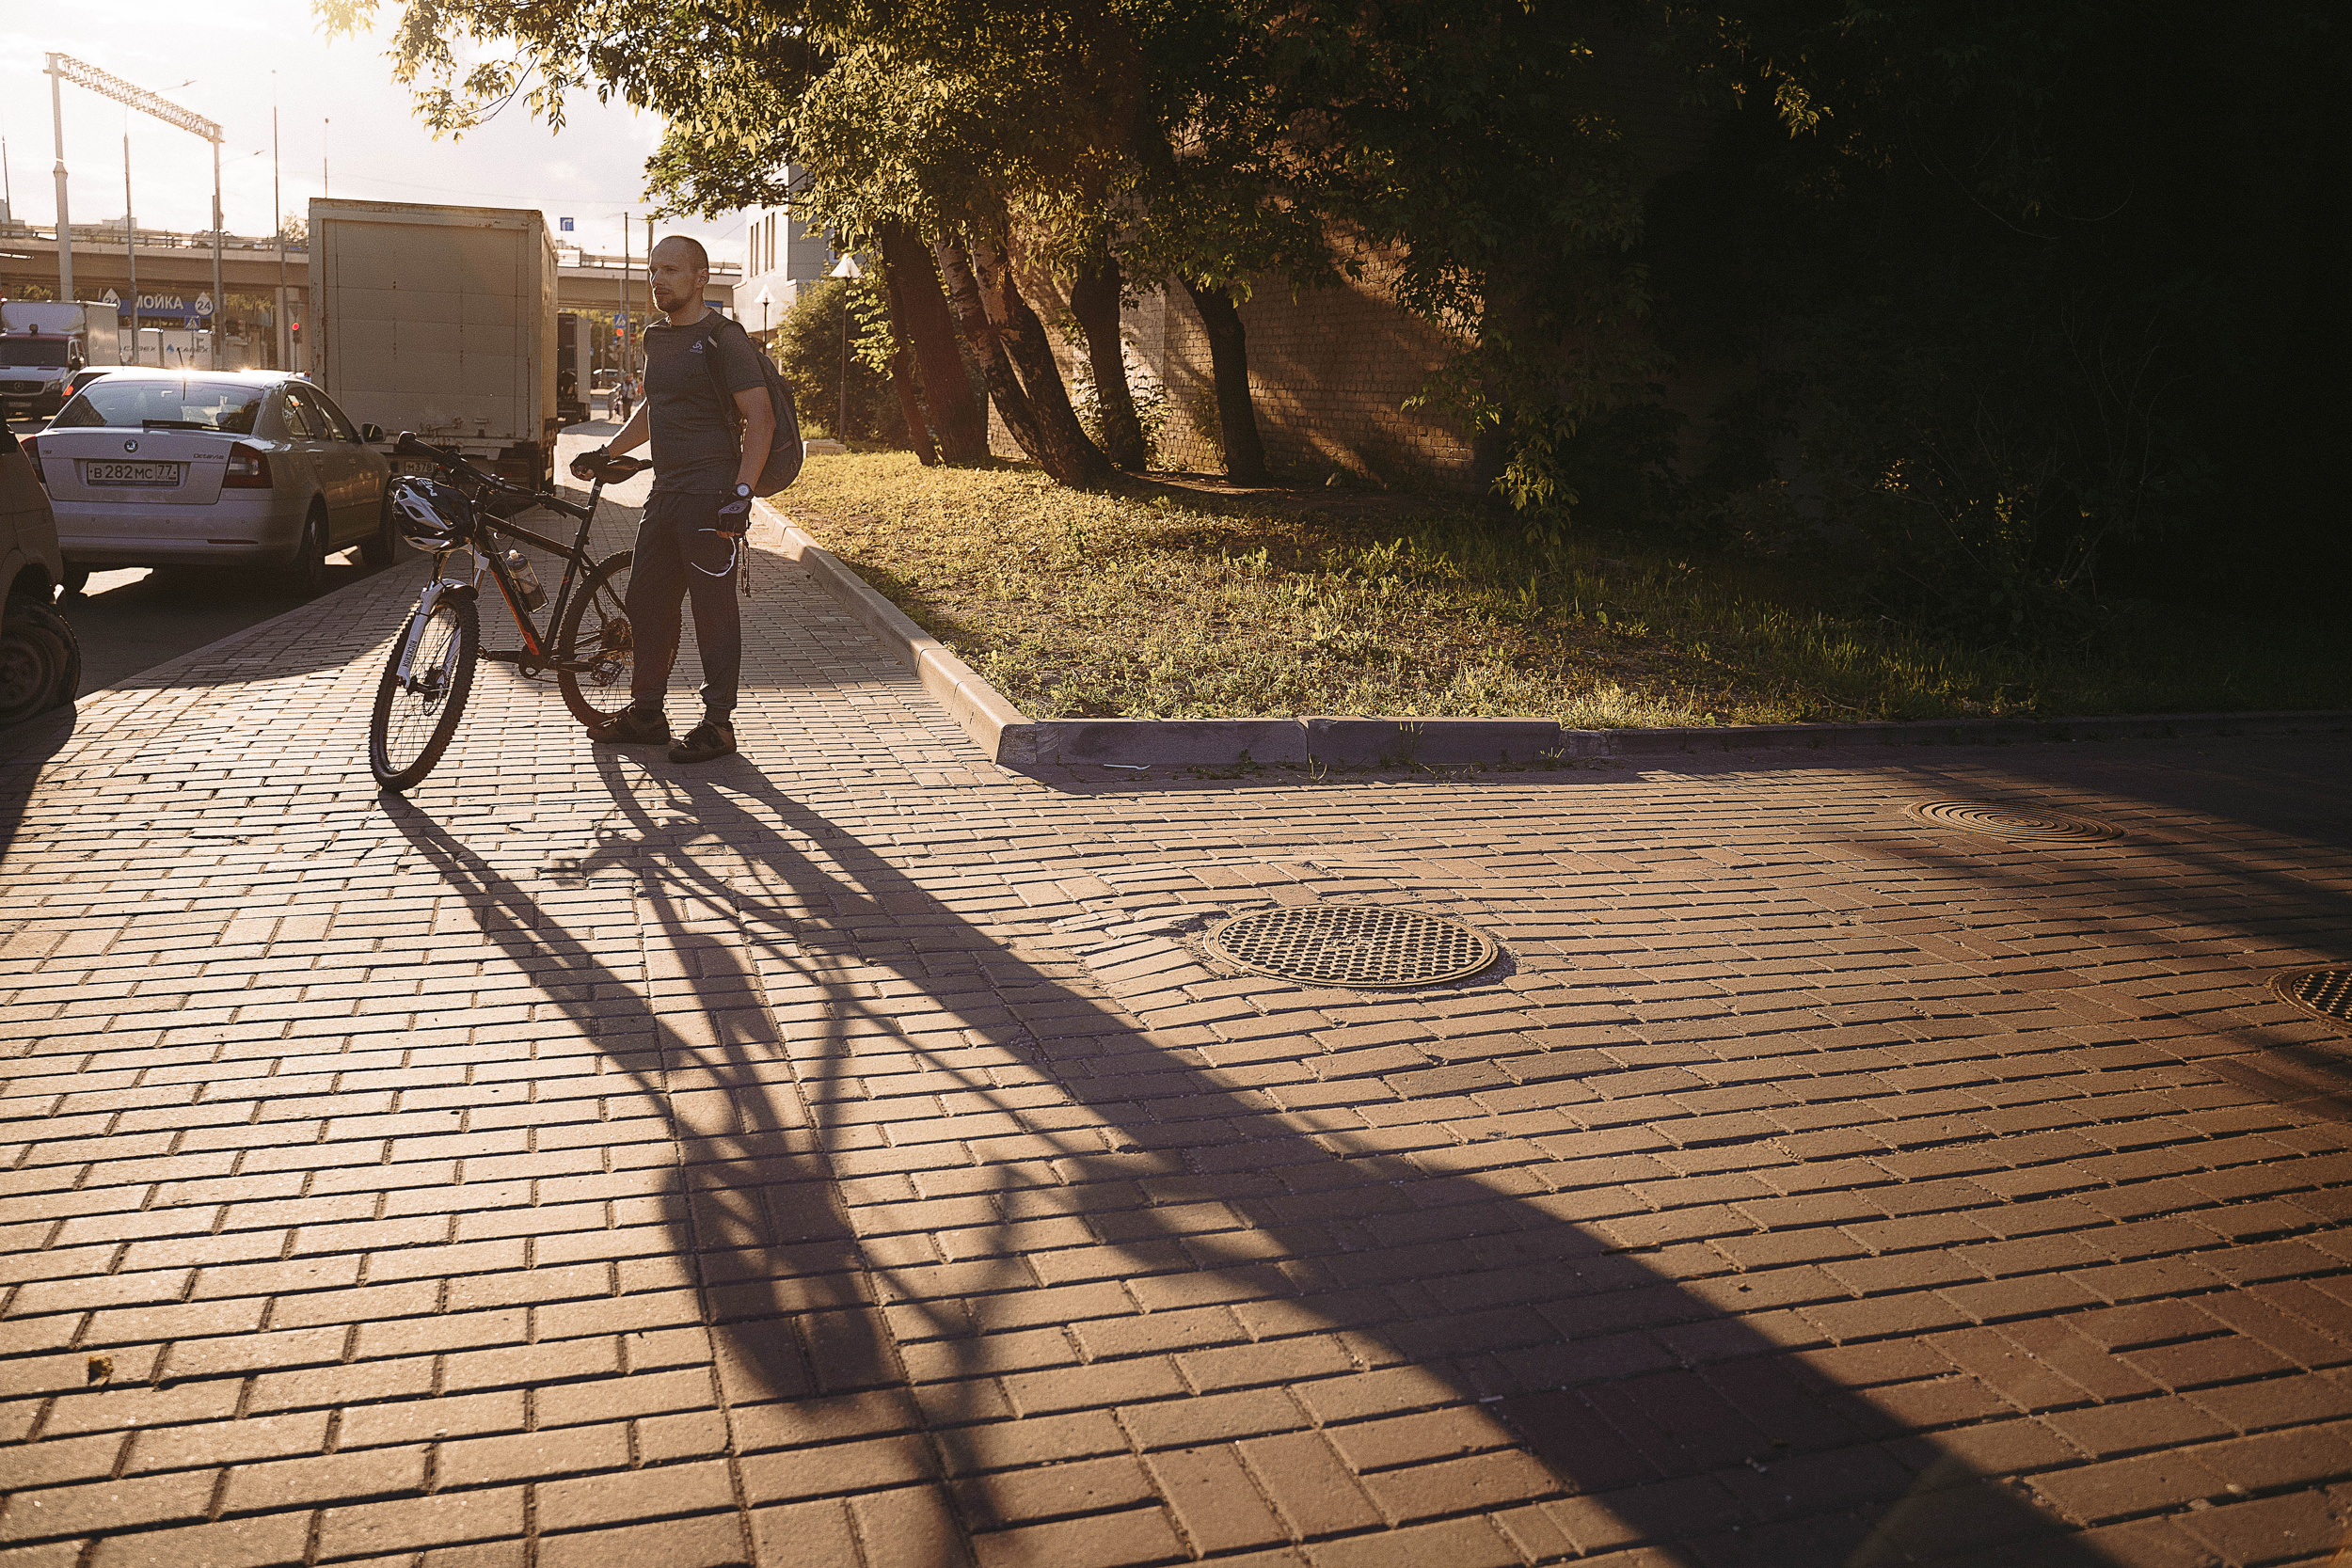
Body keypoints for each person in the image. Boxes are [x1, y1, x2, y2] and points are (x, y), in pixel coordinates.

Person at [571, 236, 776, 764]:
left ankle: (718, 724)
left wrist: (742, 494)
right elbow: (652, 407)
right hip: (664, 494)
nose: (658, 280)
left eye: (671, 270)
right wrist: (607, 451)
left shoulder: (723, 339)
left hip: (711, 498)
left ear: (701, 277)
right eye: (653, 270)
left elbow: (761, 418)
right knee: (646, 602)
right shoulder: (656, 338)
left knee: (713, 611)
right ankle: (647, 714)